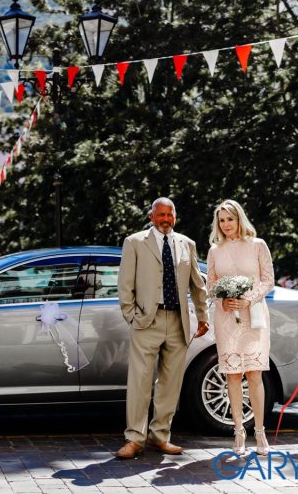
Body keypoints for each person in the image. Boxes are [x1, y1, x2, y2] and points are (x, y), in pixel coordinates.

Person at [116, 197, 209, 459]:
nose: (165, 219)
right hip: (147, 320)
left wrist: (203, 316)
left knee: (170, 383)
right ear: (151, 216)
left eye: (170, 215)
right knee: (140, 382)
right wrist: (132, 315)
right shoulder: (135, 242)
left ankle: (161, 436)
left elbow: (196, 284)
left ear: (175, 217)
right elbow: (125, 284)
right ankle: (134, 438)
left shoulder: (186, 244)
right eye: (160, 215)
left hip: (178, 321)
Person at [206, 199, 275, 457]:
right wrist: (221, 299)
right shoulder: (215, 250)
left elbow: (268, 280)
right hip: (226, 318)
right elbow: (210, 284)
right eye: (222, 221)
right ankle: (238, 432)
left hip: (253, 316)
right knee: (232, 375)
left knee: (254, 373)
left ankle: (260, 432)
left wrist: (248, 298)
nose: (226, 225)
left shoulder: (258, 245)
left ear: (239, 219)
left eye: (230, 219)